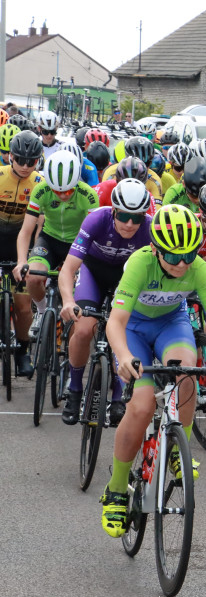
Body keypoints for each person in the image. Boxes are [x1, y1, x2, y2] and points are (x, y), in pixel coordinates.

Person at [99, 205, 206, 537]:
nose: (182, 264)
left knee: (187, 375)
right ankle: (117, 488)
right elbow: (116, 322)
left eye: (189, 255)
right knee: (143, 405)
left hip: (170, 325)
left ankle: (178, 448)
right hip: (133, 329)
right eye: (173, 257)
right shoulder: (139, 262)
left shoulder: (198, 267)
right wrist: (122, 356)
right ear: (157, 249)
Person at [59, 179, 153, 425]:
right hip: (94, 272)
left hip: (126, 279)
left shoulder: (150, 229)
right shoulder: (97, 220)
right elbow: (69, 269)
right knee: (83, 329)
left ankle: (120, 396)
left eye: (137, 217)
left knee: (123, 331)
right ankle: (75, 390)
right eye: (123, 216)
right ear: (113, 211)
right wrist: (68, 300)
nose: (130, 224)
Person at [17, 150, 100, 348]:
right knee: (34, 276)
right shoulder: (40, 190)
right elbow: (26, 231)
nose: (63, 195)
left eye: (68, 191)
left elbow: (94, 235)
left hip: (79, 244)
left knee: (75, 300)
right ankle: (42, 310)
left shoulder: (88, 195)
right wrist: (22, 261)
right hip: (50, 240)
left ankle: (71, 357)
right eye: (57, 191)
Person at [0, 130, 43, 375]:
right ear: (10, 157)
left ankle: (23, 351)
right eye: (21, 160)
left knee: (24, 306)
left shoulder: (39, 183)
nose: (26, 166)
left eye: (32, 161)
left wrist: (33, 255)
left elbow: (39, 226)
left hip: (20, 241)